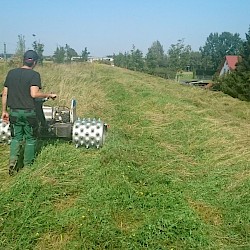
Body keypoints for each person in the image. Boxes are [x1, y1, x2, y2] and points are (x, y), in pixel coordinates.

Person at [1, 50, 57, 175]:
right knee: (31, 139)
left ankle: (13, 161)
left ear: (23, 60)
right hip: (28, 113)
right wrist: (49, 94)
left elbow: (5, 93)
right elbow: (34, 94)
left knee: (16, 138)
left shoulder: (11, 73)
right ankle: (27, 167)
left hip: (14, 112)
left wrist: (4, 111)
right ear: (35, 62)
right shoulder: (34, 75)